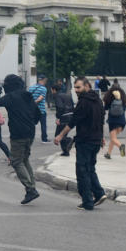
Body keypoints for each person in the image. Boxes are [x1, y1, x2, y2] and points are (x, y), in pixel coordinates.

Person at [54, 77, 107, 210]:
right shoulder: (98, 100)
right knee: (90, 168)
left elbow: (73, 121)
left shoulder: (83, 102)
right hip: (95, 140)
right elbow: (101, 120)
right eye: (75, 88)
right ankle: (99, 194)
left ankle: (87, 201)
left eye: (78, 87)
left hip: (85, 141)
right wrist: (102, 137)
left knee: (82, 171)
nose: (76, 90)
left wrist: (60, 135)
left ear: (87, 86)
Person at [0, 75, 41, 204]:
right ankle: (32, 187)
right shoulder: (27, 95)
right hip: (30, 132)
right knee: (24, 159)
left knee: (16, 161)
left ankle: (30, 189)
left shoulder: (11, 97)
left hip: (18, 133)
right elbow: (38, 114)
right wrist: (30, 123)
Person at [103, 81, 126, 158]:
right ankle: (108, 153)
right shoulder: (123, 97)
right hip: (122, 121)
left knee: (113, 138)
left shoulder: (109, 98)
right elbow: (124, 109)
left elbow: (105, 108)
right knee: (114, 138)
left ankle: (121, 146)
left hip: (113, 121)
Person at [51, 83, 75, 156]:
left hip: (64, 116)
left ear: (54, 90)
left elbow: (60, 107)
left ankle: (69, 140)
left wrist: (58, 118)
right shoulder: (67, 95)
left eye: (52, 90)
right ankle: (66, 151)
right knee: (63, 133)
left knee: (58, 135)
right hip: (71, 116)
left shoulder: (57, 96)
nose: (52, 92)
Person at [28, 74, 49, 142]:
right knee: (43, 125)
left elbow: (28, 97)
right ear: (43, 80)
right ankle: (44, 139)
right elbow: (40, 98)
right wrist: (35, 102)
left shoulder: (31, 88)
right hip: (41, 110)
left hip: (32, 110)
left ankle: (30, 137)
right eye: (45, 80)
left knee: (32, 124)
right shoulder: (43, 88)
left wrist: (31, 104)